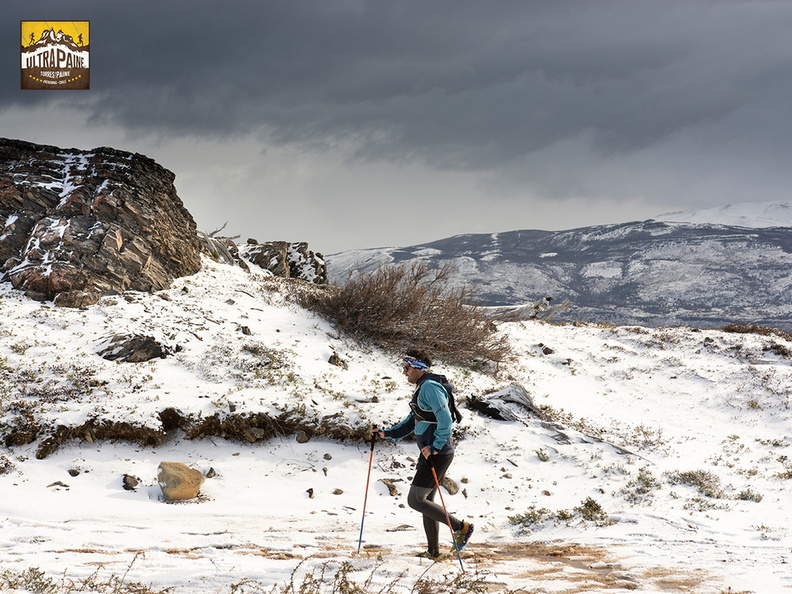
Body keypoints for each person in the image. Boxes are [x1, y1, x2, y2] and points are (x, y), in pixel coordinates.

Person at [373, 349, 474, 559]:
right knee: (427, 502)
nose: (404, 372)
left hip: (437, 453)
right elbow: (412, 421)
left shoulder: (429, 387)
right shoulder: (423, 387)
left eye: (406, 368)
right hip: (431, 452)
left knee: (415, 500)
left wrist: (435, 446)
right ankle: (433, 551)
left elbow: (446, 419)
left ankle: (461, 527)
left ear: (417, 368)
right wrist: (386, 433)